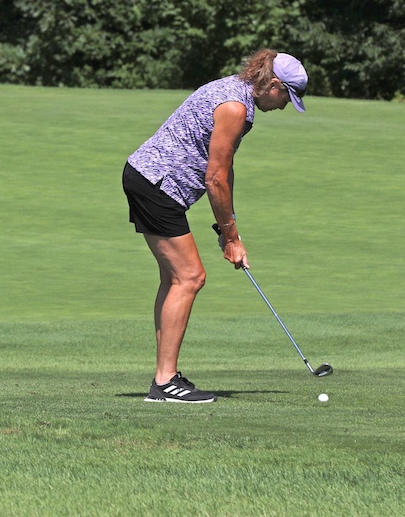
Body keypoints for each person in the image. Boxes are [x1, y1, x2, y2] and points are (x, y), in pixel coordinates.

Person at [122, 49, 308, 403]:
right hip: (157, 184)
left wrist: (228, 228)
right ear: (272, 84)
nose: (285, 105)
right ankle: (164, 383)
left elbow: (223, 168)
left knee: (175, 279)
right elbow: (215, 178)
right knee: (190, 277)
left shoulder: (233, 90)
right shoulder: (235, 108)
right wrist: (232, 239)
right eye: (287, 96)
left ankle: (166, 376)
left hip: (147, 178)